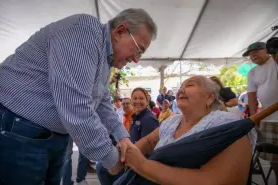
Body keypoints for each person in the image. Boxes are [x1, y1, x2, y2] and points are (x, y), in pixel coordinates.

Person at [0, 8, 157, 185]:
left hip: (43, 136)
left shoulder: (104, 56)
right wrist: (111, 159)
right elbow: (76, 108)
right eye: (139, 50)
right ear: (120, 31)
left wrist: (123, 137)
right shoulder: (84, 32)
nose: (136, 59)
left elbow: (101, 101)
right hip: (14, 127)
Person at [122, 76, 257, 185]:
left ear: (210, 97)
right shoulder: (172, 122)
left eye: (190, 85)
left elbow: (214, 180)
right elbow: (149, 141)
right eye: (180, 87)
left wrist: (143, 165)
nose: (181, 90)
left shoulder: (228, 125)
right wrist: (125, 155)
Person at [96, 87, 159, 185]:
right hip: (130, 156)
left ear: (147, 101)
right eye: (135, 98)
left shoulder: (148, 119)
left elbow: (146, 150)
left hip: (137, 166)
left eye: (141, 98)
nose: (137, 101)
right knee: (102, 164)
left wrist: (123, 158)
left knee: (102, 167)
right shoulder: (137, 117)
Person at [244, 41, 278, 184]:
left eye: (257, 51)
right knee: (274, 159)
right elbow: (252, 97)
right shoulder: (252, 72)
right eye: (250, 54)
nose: (253, 55)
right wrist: (254, 120)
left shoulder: (275, 62)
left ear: (268, 50)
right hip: (268, 120)